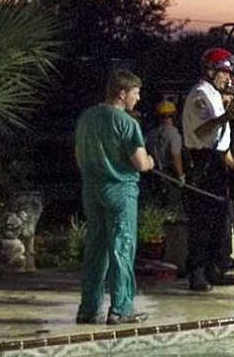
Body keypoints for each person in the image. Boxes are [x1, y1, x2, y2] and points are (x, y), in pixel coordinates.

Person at [74, 69, 155, 325]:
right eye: (135, 92)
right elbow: (140, 163)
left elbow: (78, 155)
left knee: (95, 249)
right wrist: (152, 162)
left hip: (91, 189)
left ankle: (89, 308)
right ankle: (121, 308)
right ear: (122, 93)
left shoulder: (86, 117)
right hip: (120, 190)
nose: (138, 98)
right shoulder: (127, 123)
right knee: (122, 247)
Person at [182, 47, 234, 292]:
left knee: (221, 219)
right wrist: (225, 116)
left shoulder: (217, 96)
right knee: (202, 221)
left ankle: (214, 268)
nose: (228, 78)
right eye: (223, 73)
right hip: (202, 162)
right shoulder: (199, 95)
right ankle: (196, 272)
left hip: (218, 162)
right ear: (210, 72)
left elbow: (222, 142)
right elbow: (202, 132)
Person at [146, 100, 185, 208]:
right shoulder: (174, 134)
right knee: (173, 204)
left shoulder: (151, 134)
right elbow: (175, 154)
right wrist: (180, 175)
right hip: (170, 174)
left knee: (156, 204)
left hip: (154, 173)